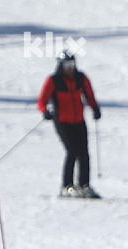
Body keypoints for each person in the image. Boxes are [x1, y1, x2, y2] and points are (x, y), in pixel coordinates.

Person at [37, 50, 102, 199]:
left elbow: (89, 95)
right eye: (66, 65)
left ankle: (84, 185)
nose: (69, 68)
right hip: (62, 121)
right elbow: (42, 100)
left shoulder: (81, 78)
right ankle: (66, 186)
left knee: (84, 153)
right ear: (60, 65)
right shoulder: (54, 80)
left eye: (71, 64)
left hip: (79, 120)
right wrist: (45, 111)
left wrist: (95, 108)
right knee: (72, 151)